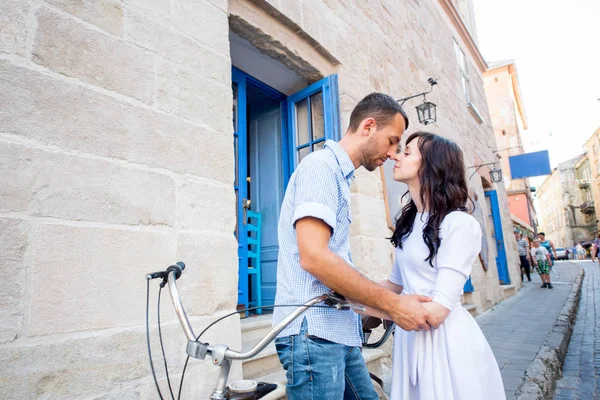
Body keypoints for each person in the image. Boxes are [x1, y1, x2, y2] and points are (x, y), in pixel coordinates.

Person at [272, 93, 432, 400]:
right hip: (313, 334)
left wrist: (366, 308)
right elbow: (315, 257)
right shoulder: (321, 168)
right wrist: (393, 305)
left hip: (337, 331)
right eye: (392, 141)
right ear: (369, 126)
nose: (392, 153)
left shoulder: (339, 176)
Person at [373, 132, 505, 399]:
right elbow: (395, 285)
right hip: (410, 338)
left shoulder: (459, 224)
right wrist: (348, 298)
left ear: (431, 166)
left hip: (444, 343)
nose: (396, 156)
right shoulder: (409, 224)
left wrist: (378, 308)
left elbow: (437, 311)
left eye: (407, 152)